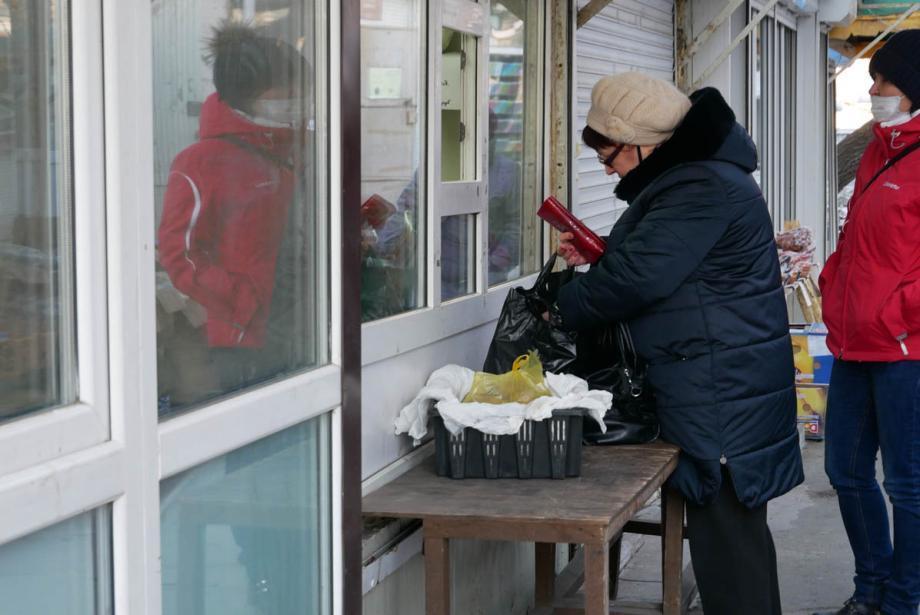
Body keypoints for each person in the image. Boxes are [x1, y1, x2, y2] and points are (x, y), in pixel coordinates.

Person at [547, 72, 803, 615]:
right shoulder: (698, 176)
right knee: (736, 542)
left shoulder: (700, 186)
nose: (605, 167)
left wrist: (556, 309)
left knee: (730, 548)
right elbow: (671, 255)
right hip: (721, 379)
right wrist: (602, 251)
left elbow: (639, 278)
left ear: (643, 142)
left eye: (608, 153)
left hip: (722, 390)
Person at [816, 29, 920, 615]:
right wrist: (833, 287)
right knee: (846, 471)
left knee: (906, 483)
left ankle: (903, 601)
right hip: (855, 343)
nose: (875, 89)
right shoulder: (880, 149)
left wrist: (896, 314)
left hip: (906, 351)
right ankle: (871, 589)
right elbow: (858, 239)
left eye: (885, 80)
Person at [158, 23, 307, 397]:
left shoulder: (296, 152)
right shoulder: (199, 163)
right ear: (251, 93)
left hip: (302, 324)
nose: (298, 98)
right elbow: (180, 256)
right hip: (239, 338)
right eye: (288, 89)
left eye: (300, 90)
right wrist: (244, 302)